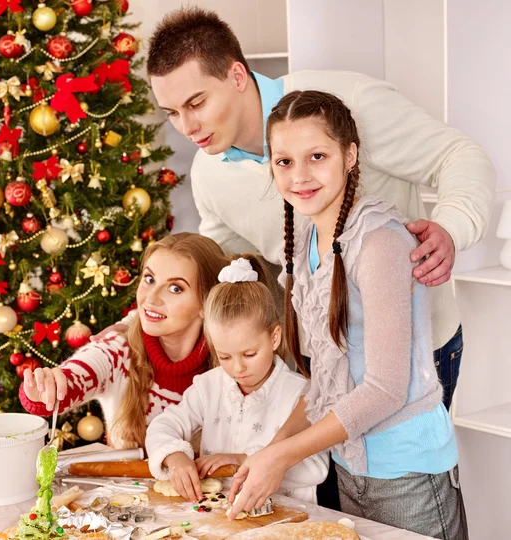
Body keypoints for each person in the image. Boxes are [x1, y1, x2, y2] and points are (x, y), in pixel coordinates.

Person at [146, 7, 495, 413]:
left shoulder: (349, 103)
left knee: (404, 475)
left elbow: (459, 156)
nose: (186, 127)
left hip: (412, 348)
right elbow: (231, 271)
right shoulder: (209, 172)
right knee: (329, 477)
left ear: (237, 76)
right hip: (316, 359)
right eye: (172, 112)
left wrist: (451, 229)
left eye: (196, 103)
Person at [226, 90, 468, 540]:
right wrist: (266, 454)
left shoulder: (379, 241)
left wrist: (281, 457)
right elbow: (326, 382)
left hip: (409, 477)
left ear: (349, 155)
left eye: (317, 156)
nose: (300, 176)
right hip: (350, 467)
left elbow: (385, 390)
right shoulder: (305, 245)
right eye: (284, 162)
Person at [145, 256, 328, 503]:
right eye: (225, 356)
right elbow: (162, 426)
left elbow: (316, 467)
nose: (238, 367)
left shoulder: (300, 394)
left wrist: (244, 459)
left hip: (283, 521)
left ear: (274, 338)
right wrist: (174, 456)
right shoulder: (208, 387)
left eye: (249, 354)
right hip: (217, 517)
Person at [19, 233, 227, 449]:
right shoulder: (117, 349)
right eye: (149, 279)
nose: (151, 298)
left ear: (206, 302)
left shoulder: (234, 362)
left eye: (175, 288)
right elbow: (72, 380)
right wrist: (46, 387)